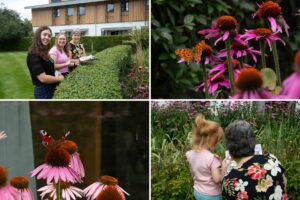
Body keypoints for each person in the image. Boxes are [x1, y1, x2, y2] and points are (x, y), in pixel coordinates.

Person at [222, 120, 287, 200]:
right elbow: (284, 182)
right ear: (252, 141)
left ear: (229, 148)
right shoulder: (271, 159)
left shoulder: (229, 179)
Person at [186, 114, 228, 200]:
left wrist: (218, 164)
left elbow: (194, 172)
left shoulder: (190, 154)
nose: (216, 145)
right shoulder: (211, 158)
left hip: (198, 192)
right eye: (217, 141)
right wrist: (223, 166)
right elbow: (217, 179)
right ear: (210, 140)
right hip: (212, 195)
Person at [27, 26, 64, 99]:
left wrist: (56, 72)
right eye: (44, 34)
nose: (47, 37)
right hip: (44, 91)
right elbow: (43, 78)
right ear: (38, 36)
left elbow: (49, 67)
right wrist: (59, 79)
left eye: (49, 36)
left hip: (52, 87)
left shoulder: (44, 52)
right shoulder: (33, 55)